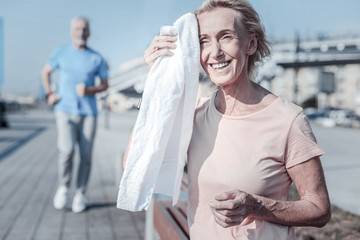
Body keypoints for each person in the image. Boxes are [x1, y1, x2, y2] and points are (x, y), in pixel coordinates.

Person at [135, 0, 332, 239]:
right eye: (203, 41)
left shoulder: (288, 120)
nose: (215, 52)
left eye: (226, 36)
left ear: (250, 43)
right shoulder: (194, 114)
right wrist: (156, 80)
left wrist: (257, 206)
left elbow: (319, 209)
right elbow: (133, 163)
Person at [41, 17, 108, 213]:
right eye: (77, 28)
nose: (81, 32)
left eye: (84, 29)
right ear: (72, 31)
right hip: (64, 110)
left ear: (89, 33)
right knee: (67, 150)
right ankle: (63, 187)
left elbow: (105, 85)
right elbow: (45, 72)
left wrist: (89, 91)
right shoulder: (60, 52)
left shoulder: (97, 57)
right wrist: (49, 94)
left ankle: (80, 193)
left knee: (86, 155)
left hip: (89, 113)